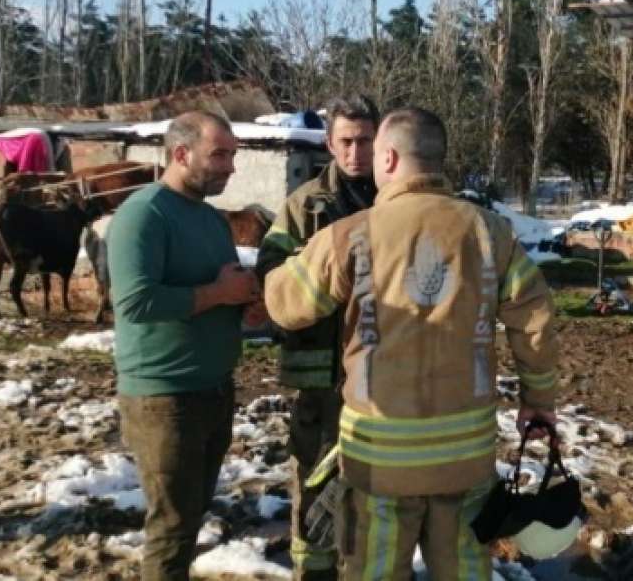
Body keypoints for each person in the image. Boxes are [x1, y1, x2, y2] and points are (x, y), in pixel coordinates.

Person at [264, 107, 559, 580]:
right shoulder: (491, 231)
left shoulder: (351, 235)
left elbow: (284, 304)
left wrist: (297, 259)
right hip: (466, 458)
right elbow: (537, 323)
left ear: (389, 159)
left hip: (380, 461)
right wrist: (538, 402)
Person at [107, 111, 263, 581]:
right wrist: (220, 293)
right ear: (181, 153)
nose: (231, 166)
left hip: (213, 390)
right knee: (171, 528)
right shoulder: (144, 213)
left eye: (233, 155)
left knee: (190, 518)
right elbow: (135, 302)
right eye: (220, 154)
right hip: (163, 397)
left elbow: (218, 289)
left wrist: (247, 307)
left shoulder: (212, 221)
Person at [255, 95, 380, 580]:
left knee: (378, 483)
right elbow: (270, 271)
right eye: (345, 141)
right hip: (322, 376)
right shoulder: (304, 204)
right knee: (315, 476)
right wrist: (316, 265)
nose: (355, 152)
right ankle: (314, 570)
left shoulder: (396, 201)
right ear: (329, 143)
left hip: (385, 375)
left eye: (365, 141)